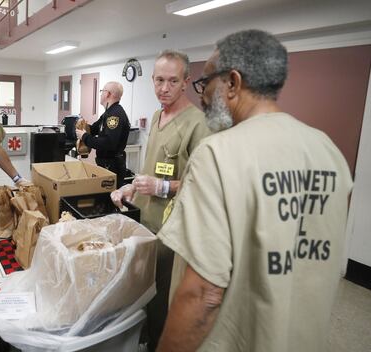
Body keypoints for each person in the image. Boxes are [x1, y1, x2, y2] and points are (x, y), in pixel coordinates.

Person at [156, 29, 353, 352]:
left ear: (232, 82)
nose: (203, 96)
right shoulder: (328, 150)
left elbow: (203, 294)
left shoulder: (217, 154)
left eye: (206, 84)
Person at [111, 50, 210, 351]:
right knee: (142, 289)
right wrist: (133, 188)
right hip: (145, 220)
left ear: (185, 82)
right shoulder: (157, 116)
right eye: (158, 80)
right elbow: (151, 167)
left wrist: (163, 187)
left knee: (162, 297)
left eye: (172, 81)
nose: (164, 88)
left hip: (172, 229)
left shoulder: (198, 124)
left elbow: (205, 183)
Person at [75, 81, 131, 188]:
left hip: (112, 165)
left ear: (108, 94)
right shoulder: (108, 113)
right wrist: (83, 126)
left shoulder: (115, 115)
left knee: (108, 200)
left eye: (102, 91)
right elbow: (94, 129)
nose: (100, 94)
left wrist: (85, 137)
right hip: (105, 163)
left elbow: (108, 142)